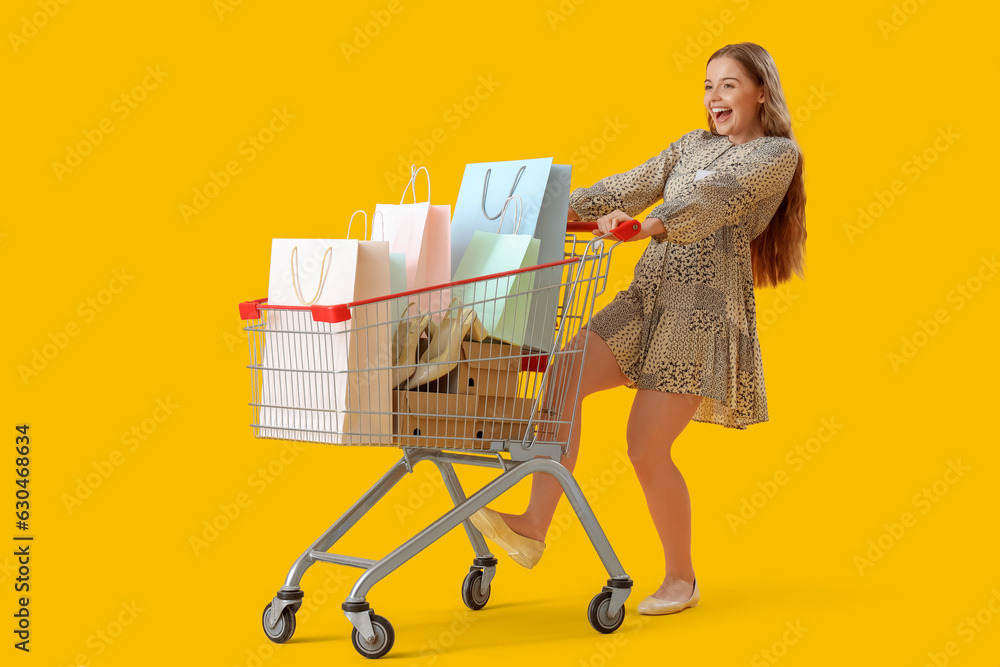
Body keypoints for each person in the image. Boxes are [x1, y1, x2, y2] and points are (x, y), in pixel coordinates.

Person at [470, 42, 807, 616]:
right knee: (562, 376)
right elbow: (627, 184)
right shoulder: (691, 144)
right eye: (708, 85)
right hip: (648, 295)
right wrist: (535, 209)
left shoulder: (777, 154)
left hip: (699, 310)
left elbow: (714, 199)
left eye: (729, 85)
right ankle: (532, 524)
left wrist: (647, 224)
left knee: (646, 448)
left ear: (759, 92)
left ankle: (682, 579)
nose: (715, 97)